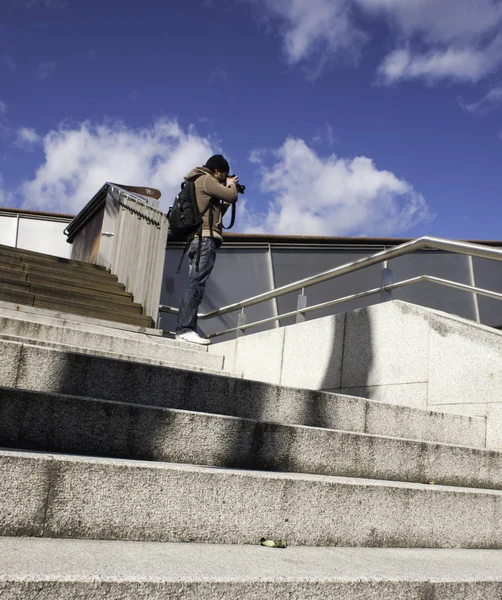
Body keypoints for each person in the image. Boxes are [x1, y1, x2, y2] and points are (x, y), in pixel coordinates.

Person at [175, 154, 239, 345]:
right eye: (223, 176)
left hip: (197, 240)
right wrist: (231, 184)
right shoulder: (206, 179)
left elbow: (216, 214)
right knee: (196, 283)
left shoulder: (198, 182)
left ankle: (186, 329)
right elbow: (232, 195)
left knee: (195, 282)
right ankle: (185, 329)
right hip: (204, 240)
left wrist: (225, 200)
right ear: (217, 171)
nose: (223, 180)